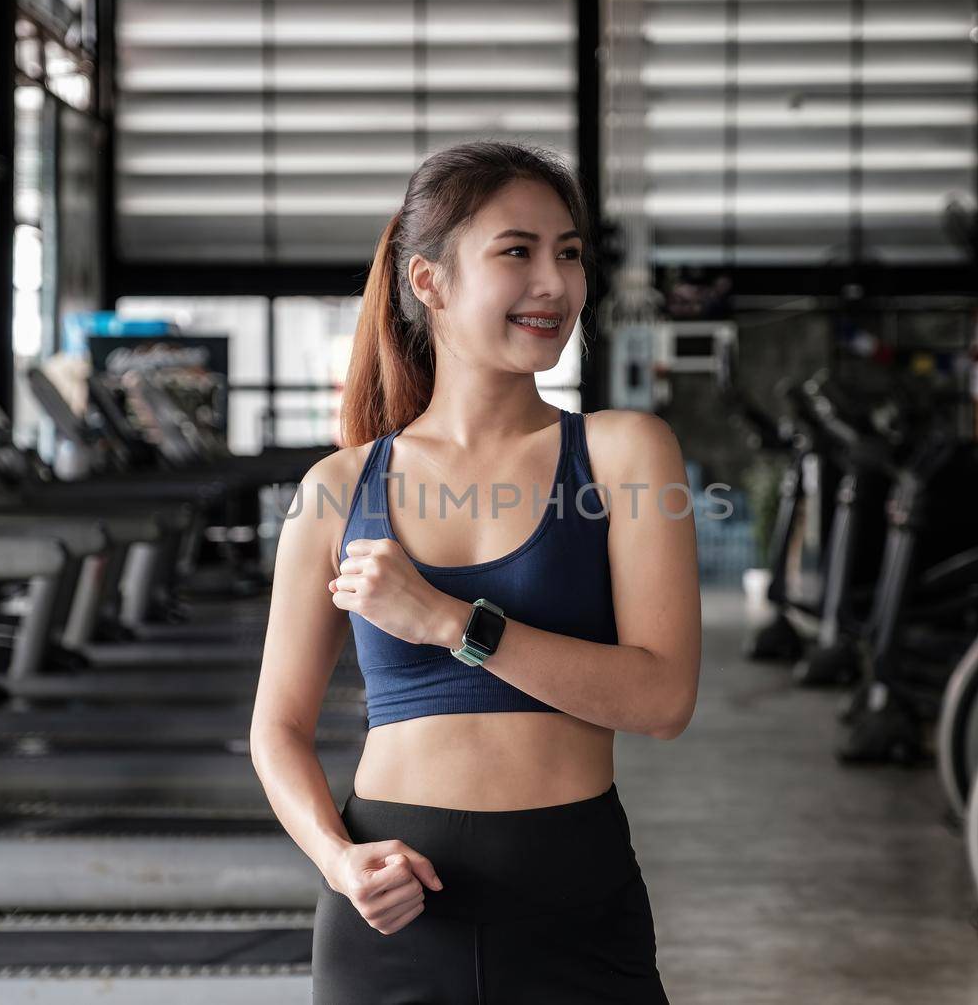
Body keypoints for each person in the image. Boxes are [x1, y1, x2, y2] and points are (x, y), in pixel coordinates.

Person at [251, 140, 701, 1004]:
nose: (556, 284)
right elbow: (276, 728)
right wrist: (340, 861)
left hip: (577, 905)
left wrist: (453, 623)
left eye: (569, 253)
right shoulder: (339, 490)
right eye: (517, 252)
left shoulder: (622, 453)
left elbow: (662, 700)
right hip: (393, 916)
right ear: (430, 281)